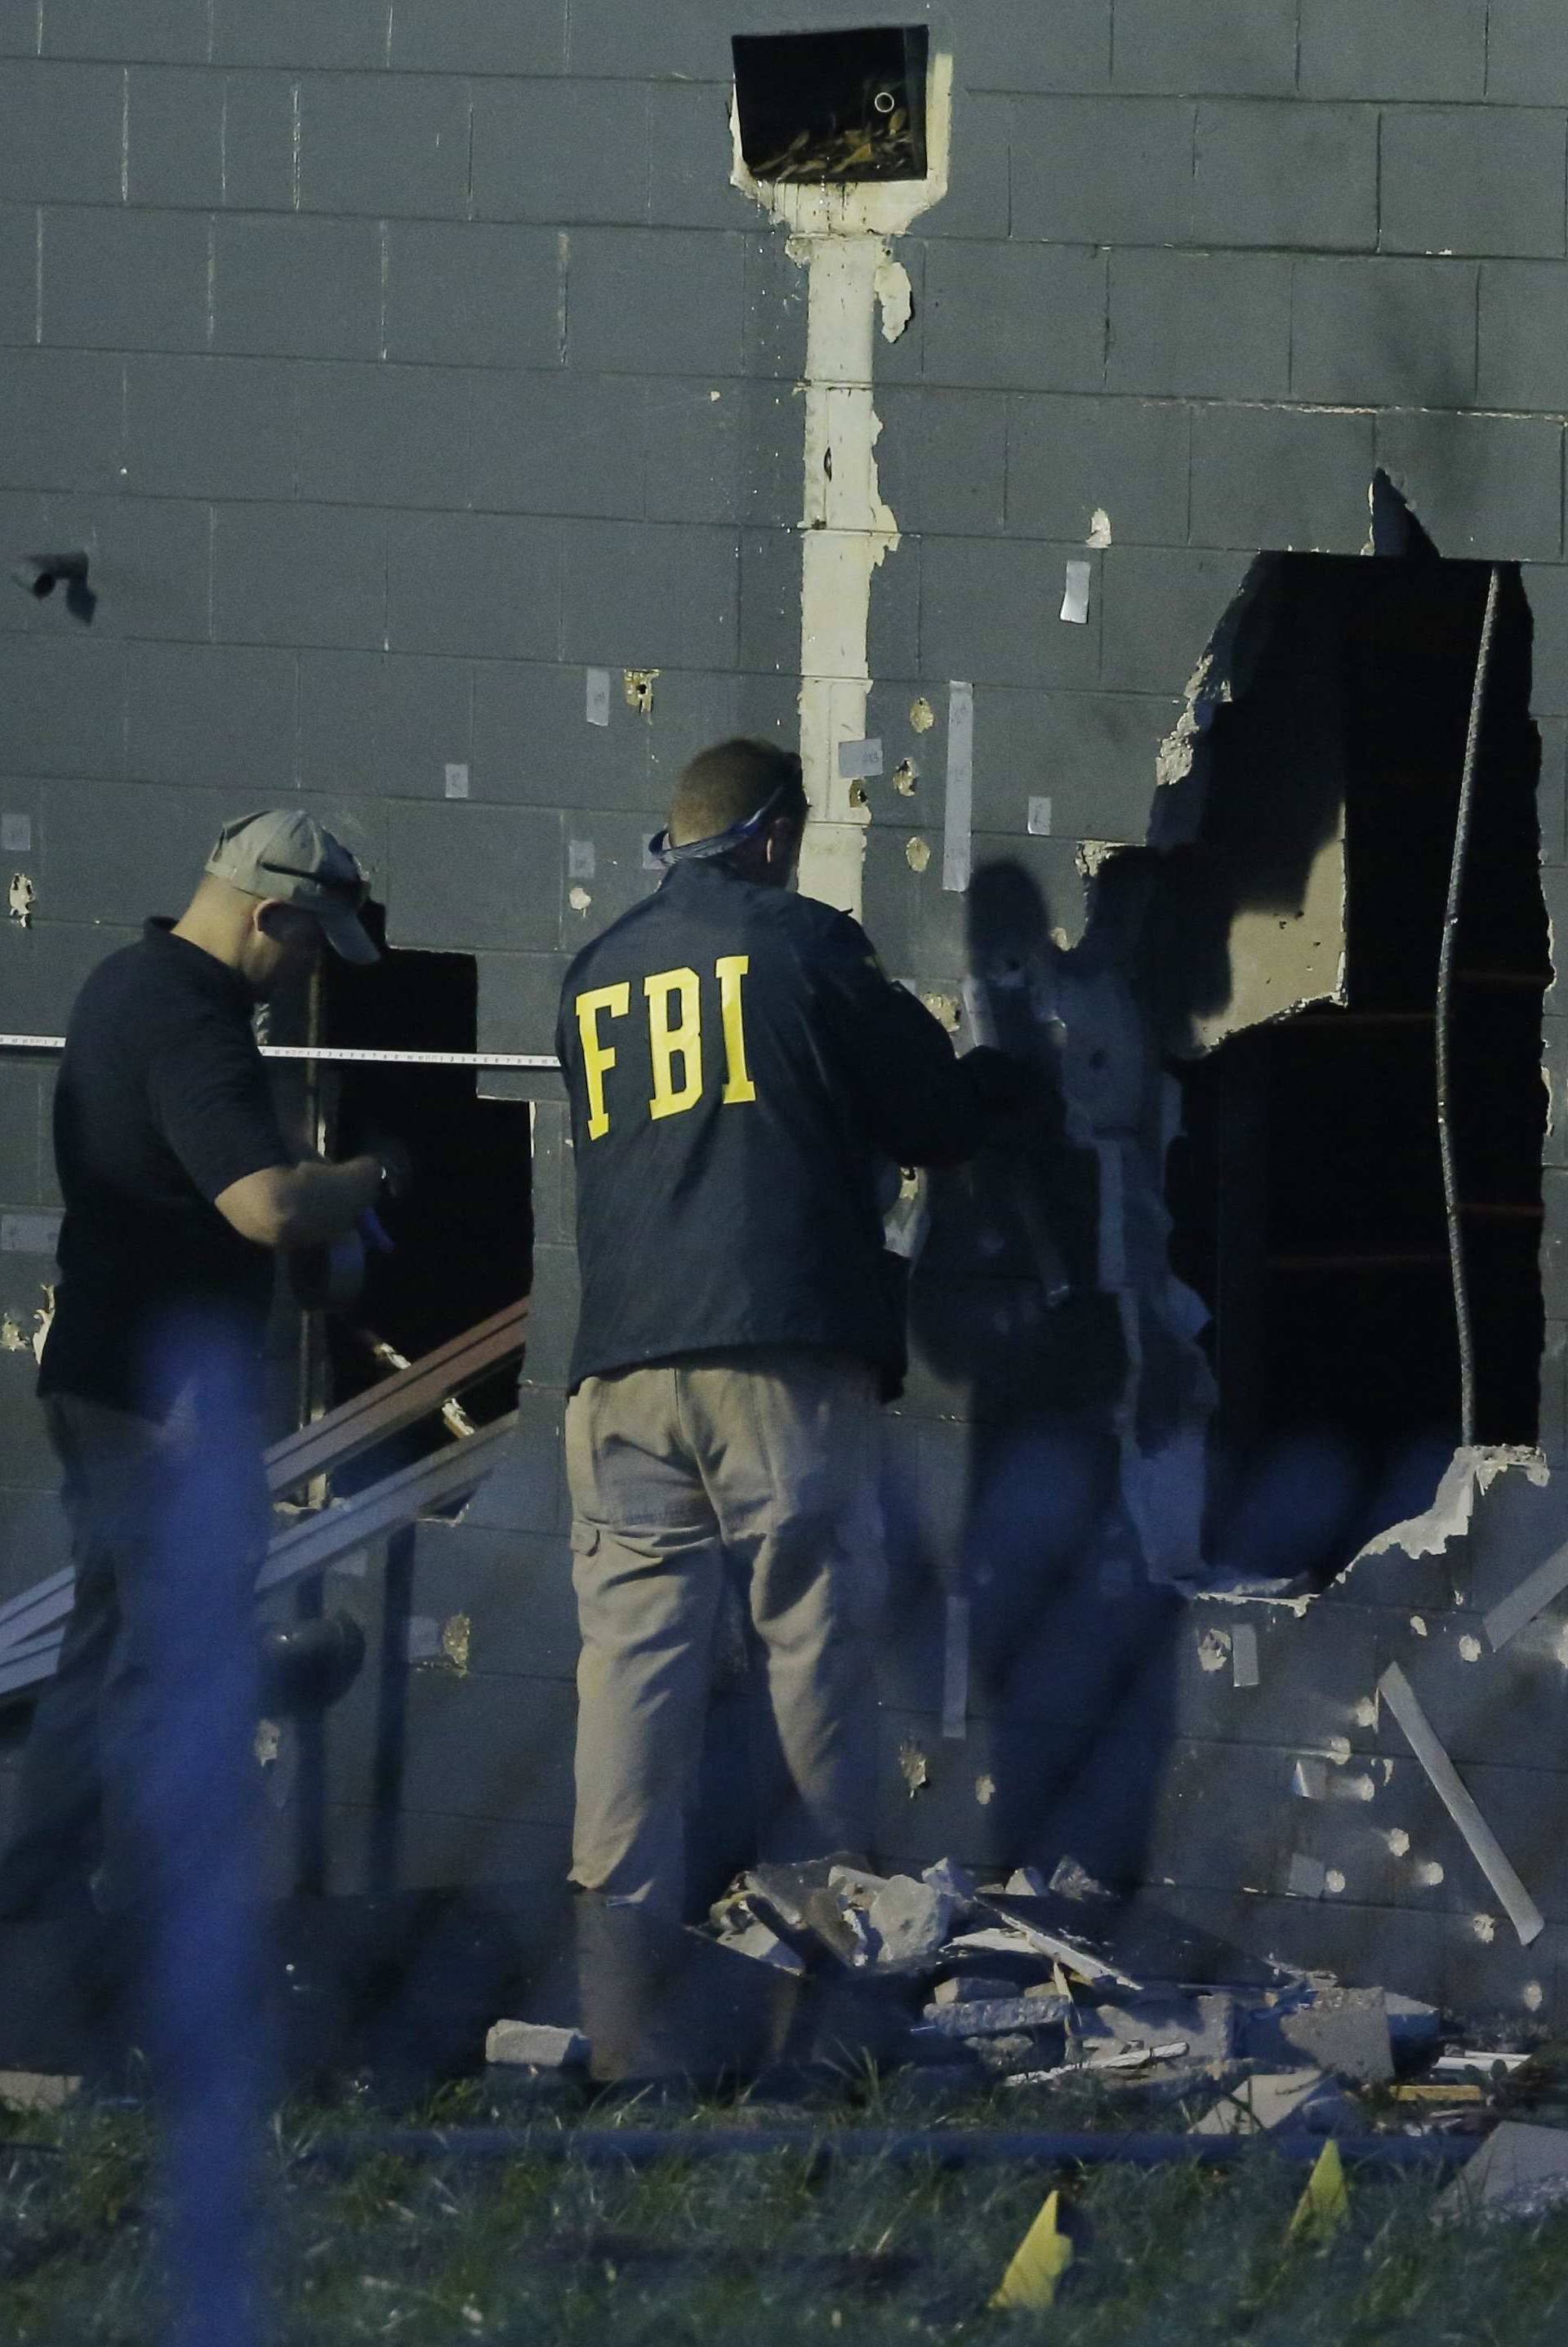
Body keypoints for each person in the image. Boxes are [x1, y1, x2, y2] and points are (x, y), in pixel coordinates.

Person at [555, 737, 1027, 2078]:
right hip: (777, 1357)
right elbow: (930, 1115)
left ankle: (622, 2024)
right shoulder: (808, 946)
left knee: (629, 1673)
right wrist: (997, 1086)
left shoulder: (594, 972)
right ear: (769, 834)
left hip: (620, 1372)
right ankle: (828, 1996)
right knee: (812, 1645)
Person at [0, 809, 403, 1934]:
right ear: (269, 912)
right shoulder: (194, 1021)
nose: (310, 964)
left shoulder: (119, 984)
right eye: (310, 939)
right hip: (163, 1398)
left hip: (99, 1375)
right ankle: (151, 1919)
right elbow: (264, 1202)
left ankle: (36, 1905)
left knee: (104, 1655)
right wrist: (362, 1180)